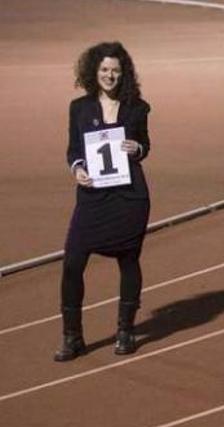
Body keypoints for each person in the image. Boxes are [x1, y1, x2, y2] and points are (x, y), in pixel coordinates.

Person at [56, 42, 152, 362]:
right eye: (104, 70)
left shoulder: (137, 108)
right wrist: (77, 169)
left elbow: (146, 146)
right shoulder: (79, 108)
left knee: (128, 260)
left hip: (129, 196)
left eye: (115, 70)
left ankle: (125, 330)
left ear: (123, 74)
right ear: (93, 72)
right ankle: (73, 336)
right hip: (93, 195)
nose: (109, 75)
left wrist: (136, 148)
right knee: (72, 263)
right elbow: (73, 150)